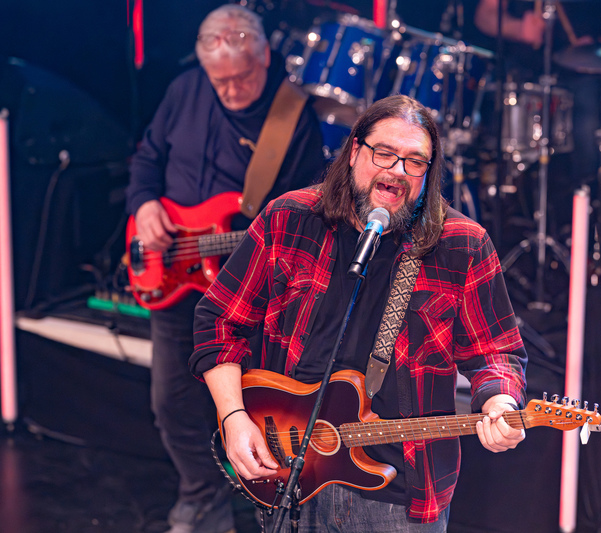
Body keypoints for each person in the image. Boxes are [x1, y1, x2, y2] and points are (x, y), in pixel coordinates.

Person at [190, 94, 528, 531]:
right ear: (354, 151)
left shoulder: (461, 244)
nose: (397, 171)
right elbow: (218, 321)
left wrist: (500, 403)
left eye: (415, 161)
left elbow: (497, 354)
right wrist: (233, 417)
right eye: (383, 153)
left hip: (399, 497)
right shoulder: (290, 218)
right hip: (289, 476)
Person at [126, 5, 326, 532]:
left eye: (243, 77)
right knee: (171, 404)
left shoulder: (291, 112)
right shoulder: (184, 90)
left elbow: (308, 212)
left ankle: (268, 508)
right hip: (176, 280)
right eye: (221, 81)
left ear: (265, 57)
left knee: (257, 406)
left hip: (249, 290)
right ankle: (202, 497)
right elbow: (147, 159)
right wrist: (144, 205)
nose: (233, 91)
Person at [474, 0, 601, 182]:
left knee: (589, 139)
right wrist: (518, 29)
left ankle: (589, 195)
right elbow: (486, 14)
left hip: (586, 72)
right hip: (524, 72)